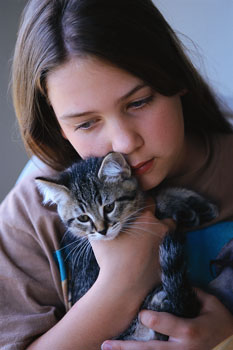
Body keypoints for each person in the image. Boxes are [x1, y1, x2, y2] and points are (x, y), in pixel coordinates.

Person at [1, 0, 233, 349]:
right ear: (59, 127)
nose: (124, 143)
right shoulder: (31, 213)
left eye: (139, 102)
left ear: (175, 77)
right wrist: (120, 286)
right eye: (86, 122)